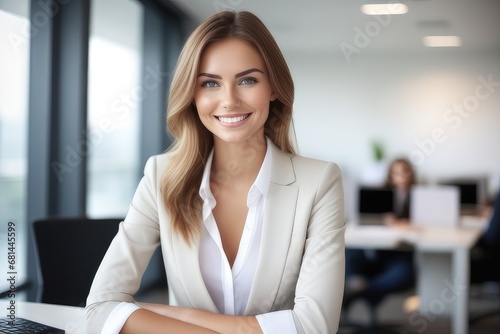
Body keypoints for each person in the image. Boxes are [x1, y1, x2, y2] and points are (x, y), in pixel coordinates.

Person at [85, 10, 345, 334]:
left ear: (273, 88)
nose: (229, 100)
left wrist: (164, 316)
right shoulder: (160, 177)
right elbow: (98, 309)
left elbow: (314, 327)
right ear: (192, 96)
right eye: (210, 83)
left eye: (247, 80)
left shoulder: (319, 183)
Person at [343, 158, 416, 310]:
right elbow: (366, 220)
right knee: (349, 255)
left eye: (404, 172)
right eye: (395, 173)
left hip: (399, 253)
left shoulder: (419, 196)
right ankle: (361, 288)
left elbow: (424, 224)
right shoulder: (379, 194)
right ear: (390, 175)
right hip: (374, 250)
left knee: (404, 273)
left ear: (411, 174)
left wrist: (401, 224)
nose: (400, 177)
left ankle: (360, 289)